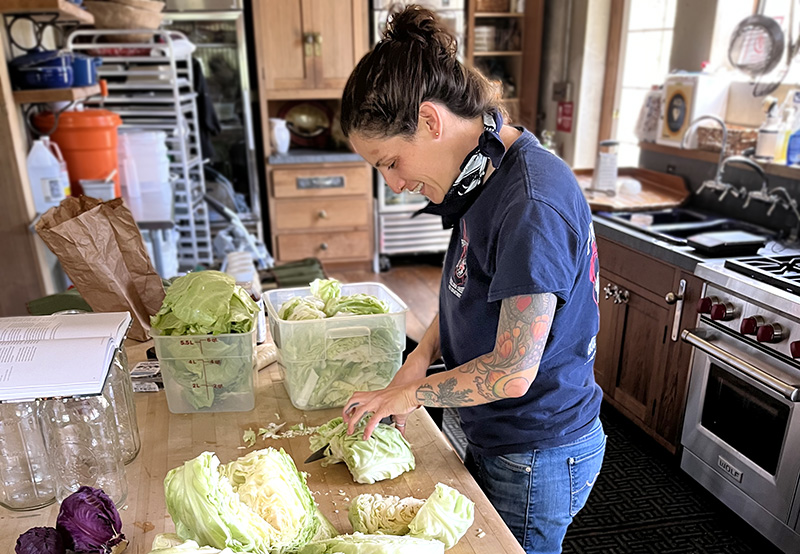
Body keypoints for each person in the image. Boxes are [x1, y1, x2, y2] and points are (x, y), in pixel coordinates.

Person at [340, 6, 606, 553]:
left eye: (391, 162)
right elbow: (469, 285)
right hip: (494, 430)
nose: (393, 184)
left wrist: (412, 395)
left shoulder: (531, 202)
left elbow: (511, 373)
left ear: (431, 121)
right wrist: (421, 355)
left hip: (536, 449)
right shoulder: (480, 172)